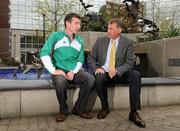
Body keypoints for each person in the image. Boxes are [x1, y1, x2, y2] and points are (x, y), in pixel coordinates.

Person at [90, 18, 145, 128]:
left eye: (111, 28)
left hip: (119, 73)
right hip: (104, 72)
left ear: (119, 30)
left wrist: (117, 70)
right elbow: (91, 58)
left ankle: (133, 112)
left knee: (135, 75)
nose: (108, 31)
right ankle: (105, 108)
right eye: (108, 28)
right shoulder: (100, 41)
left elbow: (129, 63)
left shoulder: (128, 42)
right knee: (99, 77)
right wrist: (96, 68)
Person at [40, 13, 95, 122]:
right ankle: (63, 111)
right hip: (59, 70)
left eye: (79, 23)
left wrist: (73, 72)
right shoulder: (55, 36)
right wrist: (53, 70)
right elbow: (44, 53)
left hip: (74, 70)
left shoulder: (80, 40)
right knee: (60, 82)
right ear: (67, 23)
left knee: (90, 78)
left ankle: (79, 108)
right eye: (76, 23)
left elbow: (80, 60)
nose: (79, 26)